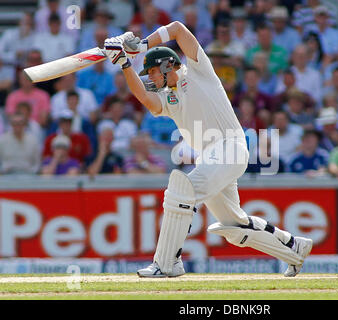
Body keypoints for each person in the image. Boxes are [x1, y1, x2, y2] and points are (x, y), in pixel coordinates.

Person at [103, 21, 313, 277]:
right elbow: (144, 97)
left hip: (229, 147)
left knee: (181, 193)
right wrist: (125, 64)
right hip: (212, 158)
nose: (151, 79)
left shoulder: (198, 71)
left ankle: (167, 263)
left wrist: (141, 45)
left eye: (153, 72)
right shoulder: (168, 100)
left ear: (168, 65)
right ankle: (294, 247)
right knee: (235, 227)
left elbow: (179, 29)